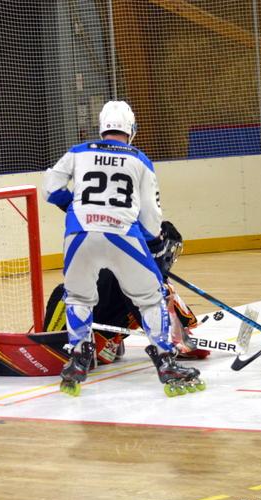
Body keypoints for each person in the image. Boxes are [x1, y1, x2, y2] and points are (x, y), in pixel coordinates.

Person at [42, 100, 204, 397]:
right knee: (150, 298)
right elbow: (152, 216)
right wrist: (153, 242)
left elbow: (50, 187)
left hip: (79, 233)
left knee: (77, 296)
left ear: (102, 127)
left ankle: (77, 360)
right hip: (121, 233)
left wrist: (73, 207)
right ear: (131, 129)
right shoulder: (139, 159)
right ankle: (166, 363)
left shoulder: (78, 152)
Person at [42, 221, 211, 365]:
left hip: (101, 334)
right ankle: (51, 341)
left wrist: (183, 336)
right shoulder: (129, 268)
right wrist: (173, 343)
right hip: (73, 317)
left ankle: (103, 340)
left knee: (160, 292)